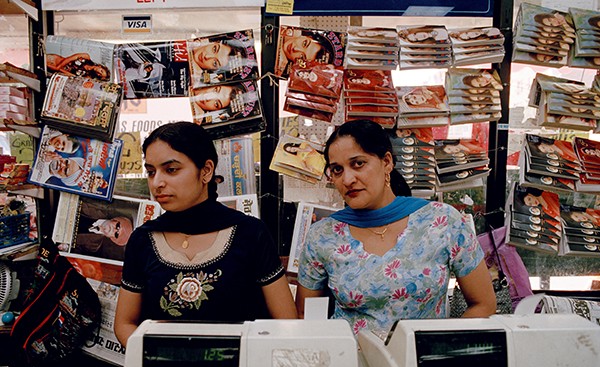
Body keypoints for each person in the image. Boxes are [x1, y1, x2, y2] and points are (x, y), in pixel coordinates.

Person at [295, 120, 496, 336]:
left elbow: (483, 304)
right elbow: (306, 318)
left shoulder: (442, 221)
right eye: (337, 170)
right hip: (350, 363)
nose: (348, 179)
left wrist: (440, 348)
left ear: (387, 162)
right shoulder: (323, 236)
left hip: (420, 364)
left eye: (358, 163)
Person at [114, 122, 297, 347]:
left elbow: (287, 323)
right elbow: (124, 323)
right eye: (151, 172)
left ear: (206, 171)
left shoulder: (250, 234)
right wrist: (164, 360)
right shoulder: (143, 240)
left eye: (171, 170)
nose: (157, 183)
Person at [46, 52, 111, 80]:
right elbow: (69, 59)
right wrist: (58, 67)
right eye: (101, 71)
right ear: (100, 66)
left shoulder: (88, 77)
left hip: (58, 72)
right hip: (57, 61)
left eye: (100, 75)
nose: (99, 73)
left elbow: (72, 76)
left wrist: (59, 70)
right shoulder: (86, 57)